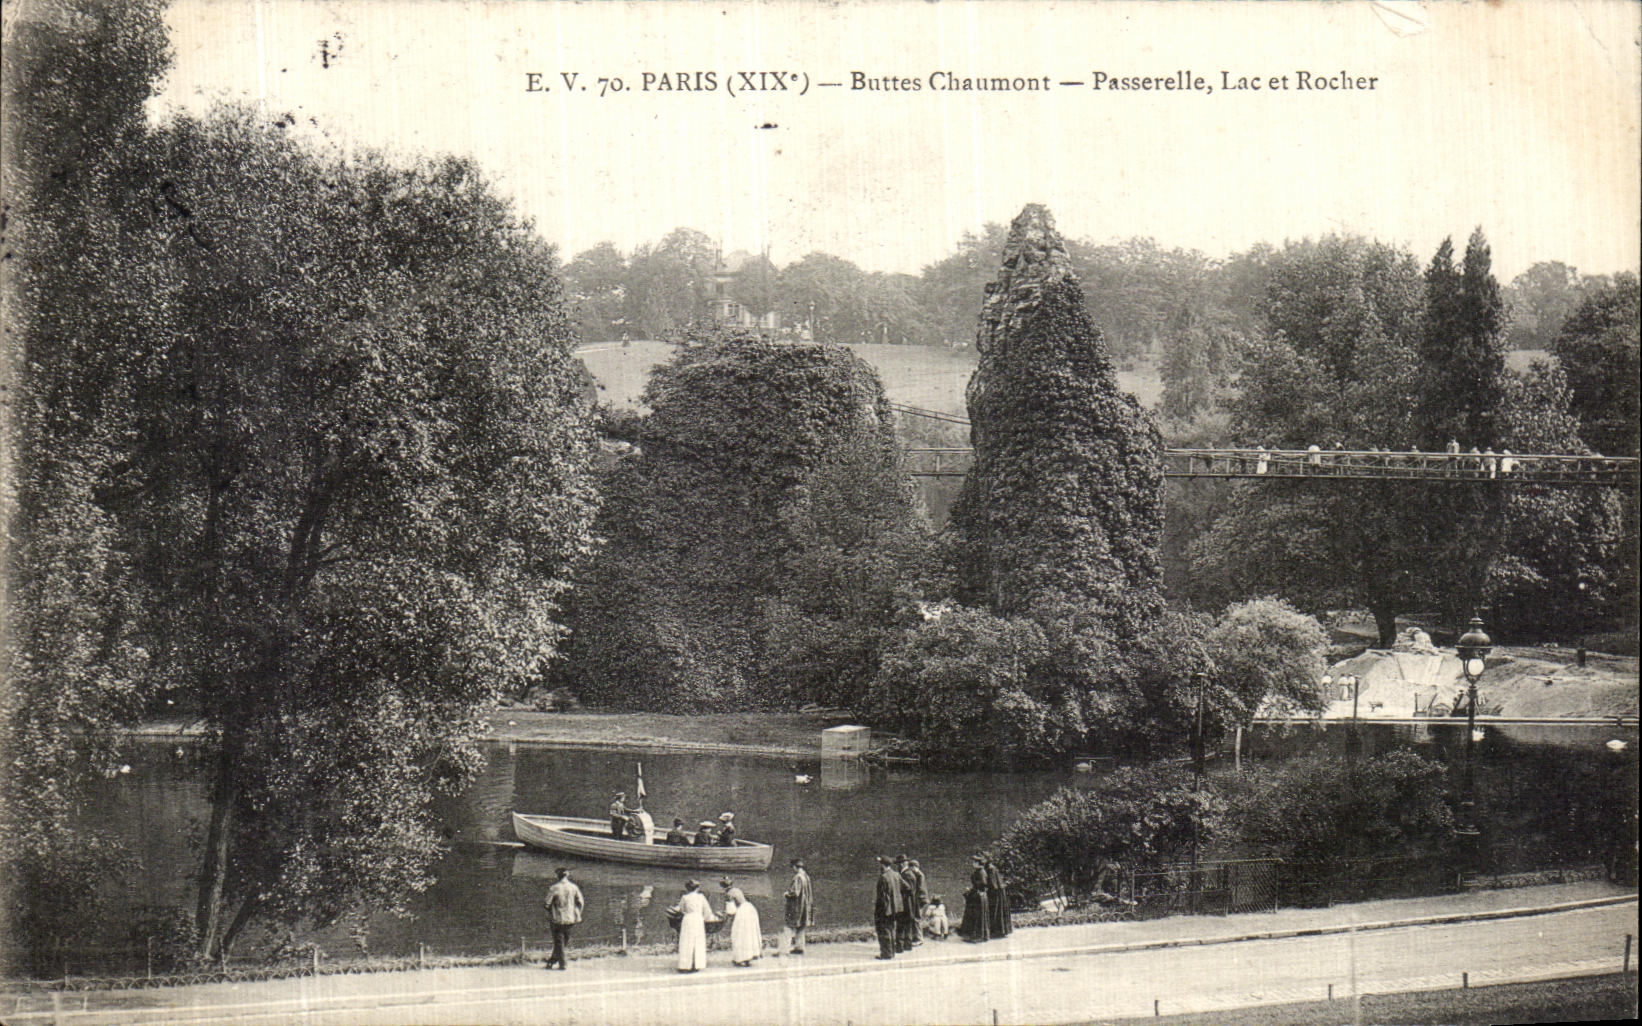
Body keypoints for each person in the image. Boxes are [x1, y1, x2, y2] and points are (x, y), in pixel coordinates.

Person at [542, 867, 584, 970]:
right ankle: (551, 961)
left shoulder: (554, 888)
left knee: (559, 942)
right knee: (562, 942)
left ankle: (563, 964)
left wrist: (551, 912)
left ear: (558, 876)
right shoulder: (574, 887)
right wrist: (577, 913)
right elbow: (581, 902)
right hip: (571, 919)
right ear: (567, 875)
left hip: (558, 919)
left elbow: (546, 903)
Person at [674, 880, 718, 972]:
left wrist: (683, 912)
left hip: (688, 919)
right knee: (698, 941)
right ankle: (697, 964)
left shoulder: (685, 897)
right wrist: (707, 919)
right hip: (698, 919)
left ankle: (685, 965)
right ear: (697, 888)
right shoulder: (701, 897)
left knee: (687, 941)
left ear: (687, 888)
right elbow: (707, 911)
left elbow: (681, 909)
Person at [720, 878, 763, 966]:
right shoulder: (737, 890)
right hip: (750, 908)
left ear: (723, 887)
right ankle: (749, 957)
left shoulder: (728, 894)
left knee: (739, 935)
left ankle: (740, 959)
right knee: (749, 934)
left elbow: (731, 911)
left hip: (742, 912)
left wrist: (722, 914)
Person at [872, 856, 905, 959]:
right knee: (891, 929)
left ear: (883, 865)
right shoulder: (897, 875)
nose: (879, 866)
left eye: (880, 864)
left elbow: (881, 896)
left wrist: (878, 910)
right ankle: (892, 952)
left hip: (885, 909)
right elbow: (907, 887)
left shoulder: (883, 878)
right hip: (896, 909)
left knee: (883, 930)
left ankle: (886, 954)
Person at [782, 857, 814, 955]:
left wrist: (786, 894)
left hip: (797, 906)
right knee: (801, 927)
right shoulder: (806, 876)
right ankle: (799, 947)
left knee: (789, 926)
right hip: (805, 906)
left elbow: (795, 892)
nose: (793, 870)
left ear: (795, 867)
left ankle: (784, 949)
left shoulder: (798, 877)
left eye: (793, 867)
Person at [958, 854, 990, 942]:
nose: (973, 864)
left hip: (979, 896)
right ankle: (972, 934)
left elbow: (983, 883)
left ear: (978, 863)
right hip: (977, 894)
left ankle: (978, 936)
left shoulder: (981, 872)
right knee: (973, 914)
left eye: (974, 862)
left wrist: (975, 888)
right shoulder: (978, 871)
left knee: (977, 915)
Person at [897, 854, 926, 949]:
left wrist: (919, 900)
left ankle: (918, 939)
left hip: (917, 899)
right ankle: (914, 938)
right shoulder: (915, 874)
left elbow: (919, 889)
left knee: (916, 919)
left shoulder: (914, 875)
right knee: (914, 919)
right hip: (916, 899)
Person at [984, 855, 1012, 938]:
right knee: (999, 911)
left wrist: (986, 889)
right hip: (998, 891)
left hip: (996, 893)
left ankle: (998, 931)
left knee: (996, 911)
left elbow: (993, 884)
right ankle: (1001, 931)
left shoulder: (990, 869)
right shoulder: (991, 867)